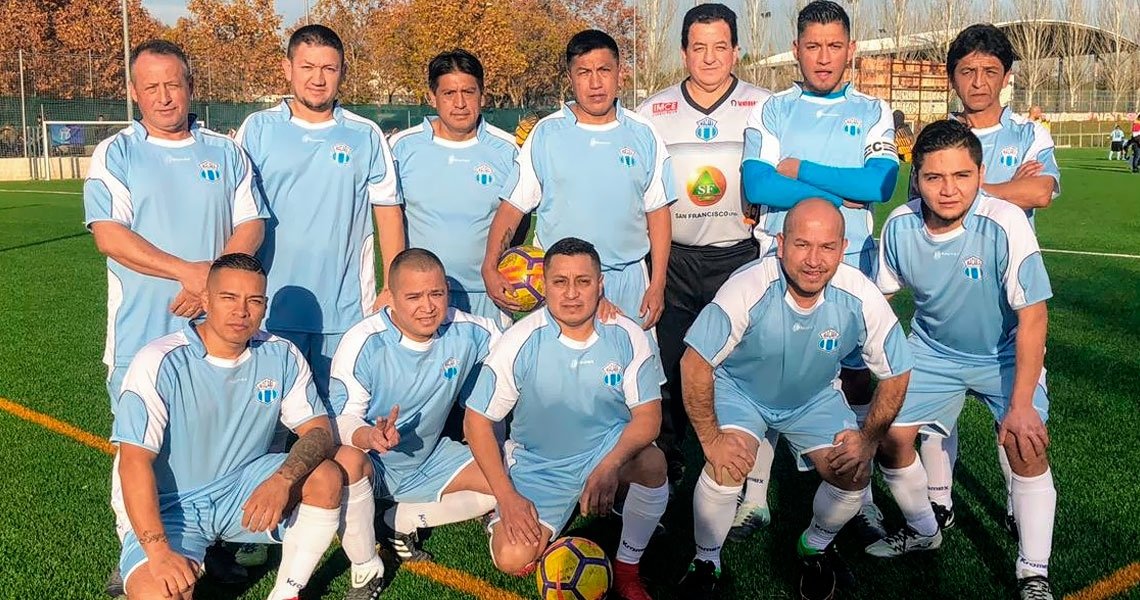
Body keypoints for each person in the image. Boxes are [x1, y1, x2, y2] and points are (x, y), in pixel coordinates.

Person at [84, 39, 267, 594]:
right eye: (152, 87)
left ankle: (216, 549)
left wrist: (209, 285)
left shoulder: (227, 150)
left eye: (174, 84)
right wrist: (185, 273)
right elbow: (108, 236)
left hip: (216, 338)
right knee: (138, 451)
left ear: (190, 87)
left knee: (222, 445)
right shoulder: (116, 153)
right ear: (134, 93)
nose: (165, 97)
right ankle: (135, 555)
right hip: (143, 335)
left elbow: (251, 225)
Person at [677, 199, 912, 600]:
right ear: (781, 244)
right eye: (802, 245)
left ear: (843, 247)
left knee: (853, 470)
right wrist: (711, 440)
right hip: (742, 392)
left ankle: (815, 547)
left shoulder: (859, 293)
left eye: (827, 247)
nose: (814, 261)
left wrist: (869, 439)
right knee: (727, 462)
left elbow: (897, 371)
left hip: (813, 398)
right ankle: (706, 560)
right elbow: (694, 362)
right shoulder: (748, 285)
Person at [872, 119, 1057, 600]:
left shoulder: (1005, 221)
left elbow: (1034, 318)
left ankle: (1033, 571)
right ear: (917, 179)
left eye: (962, 176)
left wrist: (1019, 406)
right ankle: (923, 528)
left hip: (1005, 353)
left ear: (980, 174)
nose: (948, 189)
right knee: (891, 439)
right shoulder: (899, 226)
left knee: (1025, 442)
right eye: (934, 177)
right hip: (932, 351)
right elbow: (879, 304)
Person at [739, 0, 900, 537]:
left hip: (851, 264)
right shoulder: (773, 110)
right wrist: (838, 188)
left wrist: (801, 171)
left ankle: (862, 495)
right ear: (796, 51)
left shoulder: (874, 110)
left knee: (856, 379)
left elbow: (878, 185)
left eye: (834, 45)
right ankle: (754, 499)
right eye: (813, 45)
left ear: (850, 50)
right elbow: (760, 186)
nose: (824, 57)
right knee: (766, 371)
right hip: (779, 261)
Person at [112, 253, 342, 600]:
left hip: (243, 490)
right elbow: (133, 462)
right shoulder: (159, 361)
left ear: (264, 306)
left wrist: (283, 480)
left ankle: (287, 593)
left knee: (329, 475)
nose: (242, 311)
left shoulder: (281, 354)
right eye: (228, 298)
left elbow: (320, 430)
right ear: (205, 299)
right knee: (158, 593)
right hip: (176, 508)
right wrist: (159, 554)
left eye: (254, 300)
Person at [465, 238, 669, 600]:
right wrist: (507, 496)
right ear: (545, 285)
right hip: (542, 467)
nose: (572, 293)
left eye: (583, 281)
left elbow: (649, 417)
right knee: (512, 559)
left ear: (600, 284)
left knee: (653, 463)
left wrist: (609, 466)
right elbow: (477, 421)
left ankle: (627, 568)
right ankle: (525, 516)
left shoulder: (627, 334)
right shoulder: (520, 340)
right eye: (560, 282)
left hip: (606, 452)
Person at [918, 24, 1061, 537]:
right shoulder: (939, 134)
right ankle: (938, 505)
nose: (978, 81)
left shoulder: (1029, 133)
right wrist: (1008, 188)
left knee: (1018, 425)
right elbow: (924, 201)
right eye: (967, 71)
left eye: (989, 71)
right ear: (951, 77)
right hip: (947, 299)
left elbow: (1042, 192)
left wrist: (963, 190)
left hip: (1011, 305)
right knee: (933, 422)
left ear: (1005, 77)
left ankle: (1015, 502)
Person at [635, 3, 770, 503]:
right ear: (684, 52)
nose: (710, 58)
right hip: (673, 262)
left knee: (738, 366)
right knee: (667, 365)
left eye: (720, 47)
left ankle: (748, 476)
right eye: (699, 48)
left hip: (739, 257)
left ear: (736, 50)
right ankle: (665, 464)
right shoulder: (654, 113)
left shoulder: (764, 106)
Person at [236, 24, 403, 409]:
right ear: (287, 68)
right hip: (269, 306)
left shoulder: (366, 134)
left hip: (344, 310)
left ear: (342, 72)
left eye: (329, 68)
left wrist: (392, 285)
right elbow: (236, 213)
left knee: (340, 420)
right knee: (270, 424)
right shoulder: (257, 130)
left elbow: (389, 215)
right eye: (308, 66)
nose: (318, 78)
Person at [329, 249, 500, 599]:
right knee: (345, 461)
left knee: (508, 476)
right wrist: (369, 435)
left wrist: (590, 312)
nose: (428, 306)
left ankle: (399, 521)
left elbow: (523, 349)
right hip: (372, 464)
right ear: (390, 298)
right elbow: (340, 421)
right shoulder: (363, 342)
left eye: (436, 294)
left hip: (431, 459)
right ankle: (366, 568)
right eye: (414, 296)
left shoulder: (471, 331)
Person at [481, 29, 676, 335]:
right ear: (570, 78)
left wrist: (658, 283)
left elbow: (658, 212)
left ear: (619, 74)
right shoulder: (545, 134)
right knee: (562, 375)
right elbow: (512, 207)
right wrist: (490, 265)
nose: (595, 83)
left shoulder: (644, 133)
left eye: (604, 71)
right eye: (584, 72)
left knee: (631, 376)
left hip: (628, 281)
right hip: (564, 286)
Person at [389, 50, 518, 328]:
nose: (460, 103)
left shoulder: (507, 150)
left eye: (469, 92)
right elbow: (389, 220)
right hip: (423, 300)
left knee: (490, 371)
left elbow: (518, 221)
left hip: (488, 294)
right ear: (431, 97)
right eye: (449, 93)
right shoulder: (401, 148)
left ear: (482, 95)